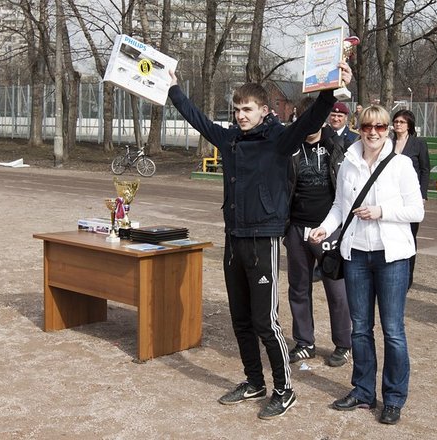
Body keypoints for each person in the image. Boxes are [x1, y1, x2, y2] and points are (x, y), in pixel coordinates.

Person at [167, 63, 353, 420]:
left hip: (262, 239)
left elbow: (311, 119)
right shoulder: (230, 139)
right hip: (233, 237)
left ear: (265, 110)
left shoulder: (279, 139)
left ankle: (284, 389)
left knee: (265, 322)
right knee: (240, 319)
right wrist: (174, 89)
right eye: (237, 109)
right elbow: (199, 121)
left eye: (247, 109)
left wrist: (330, 90)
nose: (241, 115)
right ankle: (254, 381)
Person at [309, 105, 424, 425]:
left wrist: (381, 212)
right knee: (360, 328)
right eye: (367, 127)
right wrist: (325, 228)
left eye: (380, 127)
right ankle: (362, 390)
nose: (373, 132)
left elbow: (417, 210)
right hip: (356, 254)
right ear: (359, 128)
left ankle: (394, 398)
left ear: (389, 130)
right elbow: (339, 206)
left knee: (393, 330)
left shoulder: (401, 164)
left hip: (392, 256)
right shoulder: (348, 162)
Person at [284, 97, 352, 368]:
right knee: (298, 287)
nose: (309, 124)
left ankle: (343, 344)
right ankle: (305, 342)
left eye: (314, 118)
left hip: (328, 228)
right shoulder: (290, 146)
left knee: (336, 290)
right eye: (304, 119)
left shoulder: (337, 145)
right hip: (296, 228)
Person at [391, 109, 430, 289]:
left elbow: (425, 169)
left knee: (410, 236)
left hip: (411, 196)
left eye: (402, 122)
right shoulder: (388, 143)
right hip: (392, 196)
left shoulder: (418, 144)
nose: (398, 124)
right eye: (396, 121)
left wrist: (422, 195)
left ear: (409, 125)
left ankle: (407, 278)